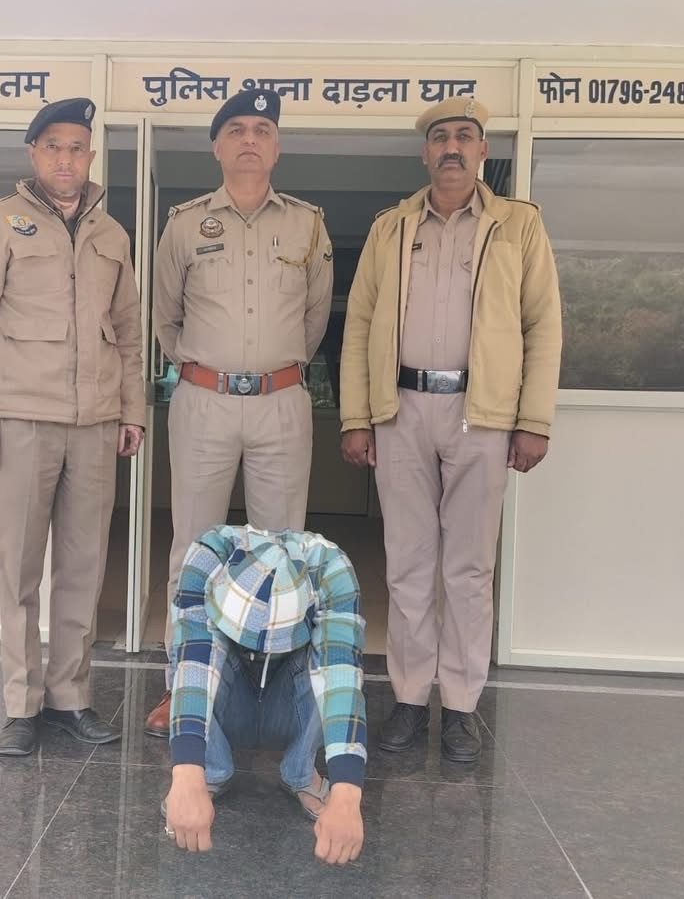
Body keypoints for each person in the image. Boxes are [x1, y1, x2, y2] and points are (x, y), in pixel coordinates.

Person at [339, 96, 562, 763]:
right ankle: (410, 698)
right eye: (441, 138)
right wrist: (357, 416)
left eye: (465, 136)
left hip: (481, 414)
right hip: (402, 409)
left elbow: (542, 325)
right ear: (425, 152)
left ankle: (462, 704)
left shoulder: (517, 226)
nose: (452, 147)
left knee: (468, 568)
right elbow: (359, 325)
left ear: (482, 149)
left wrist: (532, 420)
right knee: (407, 563)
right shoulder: (390, 228)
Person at [0, 97, 145, 756]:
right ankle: (21, 705)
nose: (66, 158)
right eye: (53, 146)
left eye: (77, 147)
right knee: (20, 568)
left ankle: (70, 697)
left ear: (91, 156)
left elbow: (129, 334)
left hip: (95, 423)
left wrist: (132, 411)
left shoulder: (111, 234)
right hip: (24, 419)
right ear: (33, 154)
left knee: (84, 567)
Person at [144, 88, 335, 737]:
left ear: (276, 146)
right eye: (236, 130)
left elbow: (313, 319)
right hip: (203, 402)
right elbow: (165, 318)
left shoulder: (308, 225)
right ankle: (184, 688)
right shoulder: (184, 225)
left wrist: (270, 369)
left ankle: (268, 695)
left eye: (261, 130)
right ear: (217, 147)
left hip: (281, 404)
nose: (250, 139)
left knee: (281, 555)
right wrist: (212, 369)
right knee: (194, 551)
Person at [161, 525, 366, 865]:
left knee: (332, 666)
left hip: (290, 687)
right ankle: (208, 769)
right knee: (190, 658)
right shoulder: (205, 560)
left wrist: (347, 795)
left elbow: (340, 677)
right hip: (231, 687)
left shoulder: (333, 571)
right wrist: (185, 773)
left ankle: (301, 771)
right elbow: (194, 664)